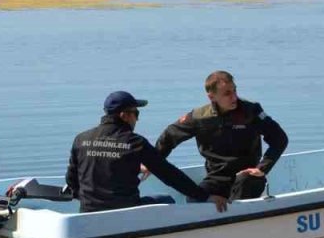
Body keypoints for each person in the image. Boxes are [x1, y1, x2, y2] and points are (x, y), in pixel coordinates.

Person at [66, 90, 227, 213]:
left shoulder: (81, 139)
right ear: (124, 116)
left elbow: (72, 180)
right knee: (167, 199)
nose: (137, 119)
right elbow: (170, 175)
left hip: (88, 212)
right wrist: (204, 196)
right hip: (126, 212)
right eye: (136, 113)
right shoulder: (135, 143)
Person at [154, 71, 288, 201]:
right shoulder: (200, 117)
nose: (234, 97)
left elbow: (279, 139)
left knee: (242, 190)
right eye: (227, 94)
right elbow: (170, 135)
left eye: (234, 90)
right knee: (194, 200)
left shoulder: (251, 111)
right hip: (217, 178)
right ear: (212, 97)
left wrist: (262, 168)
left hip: (248, 175)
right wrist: (152, 161)